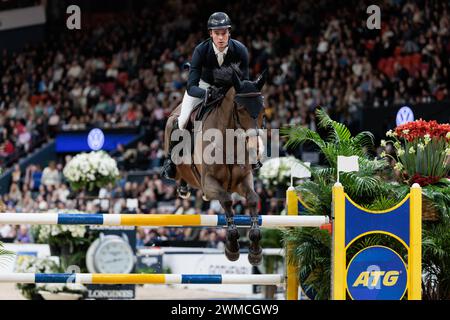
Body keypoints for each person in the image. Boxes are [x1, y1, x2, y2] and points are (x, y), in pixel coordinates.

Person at [162, 12, 250, 180]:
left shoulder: (240, 50)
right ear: (211, 34)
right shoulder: (201, 50)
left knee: (247, 114)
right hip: (203, 86)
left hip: (229, 89)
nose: (221, 37)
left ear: (229, 32)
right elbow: (191, 86)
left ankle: (252, 155)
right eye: (217, 33)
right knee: (181, 121)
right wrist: (207, 93)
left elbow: (244, 83)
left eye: (224, 32)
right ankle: (171, 162)